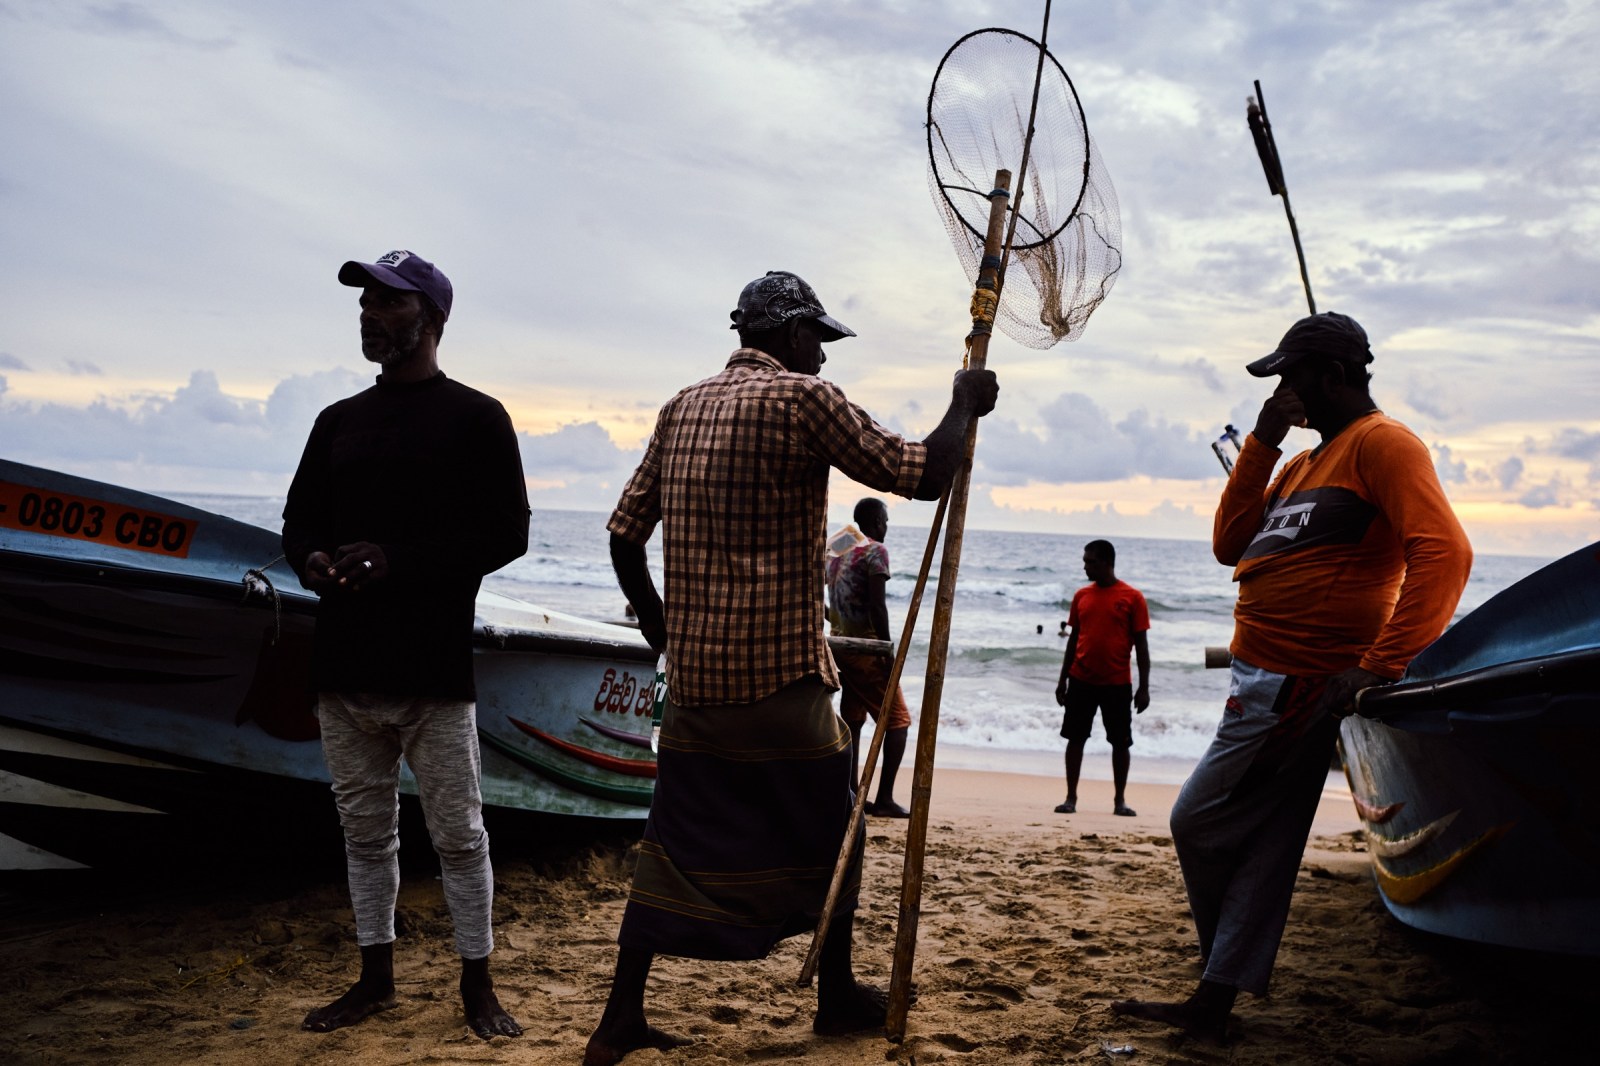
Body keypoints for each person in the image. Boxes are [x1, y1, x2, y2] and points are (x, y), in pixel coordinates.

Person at [584, 270, 998, 1065]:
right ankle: (835, 993)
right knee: (839, 830)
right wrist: (964, 401)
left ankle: (620, 1016)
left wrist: (662, 634)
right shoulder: (803, 401)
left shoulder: (682, 406)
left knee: (673, 838)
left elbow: (622, 536)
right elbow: (923, 472)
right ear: (789, 333)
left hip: (698, 686)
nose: (823, 357)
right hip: (780, 679)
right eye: (819, 340)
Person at [1113, 312, 1472, 1041]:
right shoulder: (1302, 464)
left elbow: (1445, 553)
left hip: (1297, 684)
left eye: (1290, 375)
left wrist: (1376, 665)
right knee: (1263, 839)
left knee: (1198, 821)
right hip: (1260, 682)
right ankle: (1215, 1002)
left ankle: (1217, 990)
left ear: (1332, 378)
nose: (1281, 388)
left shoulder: (1384, 445)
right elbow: (1227, 544)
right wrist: (1264, 441)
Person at [282, 250, 530, 1040]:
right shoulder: (338, 422)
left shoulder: (477, 418)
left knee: (459, 836)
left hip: (432, 671)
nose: (369, 314)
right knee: (364, 834)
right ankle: (374, 979)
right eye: (366, 303)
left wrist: (401, 560)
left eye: (388, 303)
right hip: (345, 666)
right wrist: (310, 560)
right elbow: (298, 521)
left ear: (433, 319)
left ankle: (477, 986)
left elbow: (509, 533)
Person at [826, 497, 913, 818]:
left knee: (854, 718)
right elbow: (878, 606)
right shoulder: (876, 551)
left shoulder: (839, 544)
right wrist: (887, 651)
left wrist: (831, 618)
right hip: (866, 649)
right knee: (898, 720)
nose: (886, 526)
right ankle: (885, 798)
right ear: (876, 521)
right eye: (885, 521)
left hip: (839, 646)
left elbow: (823, 587)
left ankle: (850, 794)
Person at [1052, 539, 1150, 817]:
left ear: (1107, 562)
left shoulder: (1133, 597)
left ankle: (1120, 801)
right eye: (1085, 561)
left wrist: (1144, 687)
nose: (1085, 567)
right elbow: (1072, 642)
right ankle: (1070, 798)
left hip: (1118, 683)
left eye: (1090, 562)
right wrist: (1062, 681)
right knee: (1075, 738)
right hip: (1081, 679)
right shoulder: (1081, 596)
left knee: (1121, 742)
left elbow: (1142, 646)